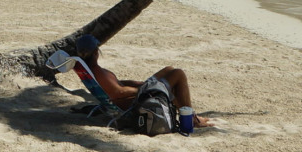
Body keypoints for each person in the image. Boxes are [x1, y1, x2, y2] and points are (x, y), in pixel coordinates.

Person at [76, 34, 211, 131]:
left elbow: (117, 84)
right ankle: (191, 119)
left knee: (169, 70)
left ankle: (190, 116)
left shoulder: (91, 70)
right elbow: (118, 92)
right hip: (132, 102)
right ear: (96, 52)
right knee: (178, 74)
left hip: (131, 97)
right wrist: (144, 89)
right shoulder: (98, 72)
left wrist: (139, 84)